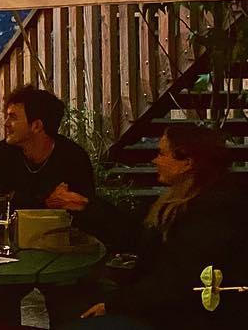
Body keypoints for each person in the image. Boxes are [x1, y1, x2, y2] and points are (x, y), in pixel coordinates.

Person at [54, 126, 248, 329]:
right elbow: (137, 234)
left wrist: (113, 304)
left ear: (187, 163)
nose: (155, 160)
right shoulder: (180, 198)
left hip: (190, 318)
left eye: (162, 153)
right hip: (164, 306)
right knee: (72, 302)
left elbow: (175, 283)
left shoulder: (215, 210)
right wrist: (85, 207)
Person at [0, 86, 96, 326]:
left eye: (13, 117)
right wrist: (45, 201)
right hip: (12, 249)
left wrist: (18, 198)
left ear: (37, 125)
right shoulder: (3, 153)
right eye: (6, 116)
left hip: (59, 250)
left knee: (69, 310)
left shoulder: (72, 158)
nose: (5, 123)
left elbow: (84, 209)